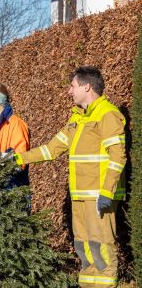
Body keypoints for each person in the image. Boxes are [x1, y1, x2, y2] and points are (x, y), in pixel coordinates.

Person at [14, 67, 126, 287]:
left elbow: (118, 157)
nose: (68, 91)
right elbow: (51, 149)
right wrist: (17, 159)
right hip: (80, 197)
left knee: (102, 247)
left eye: (72, 86)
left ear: (87, 86)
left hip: (98, 198)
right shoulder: (77, 119)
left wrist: (107, 192)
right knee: (84, 247)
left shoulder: (108, 114)